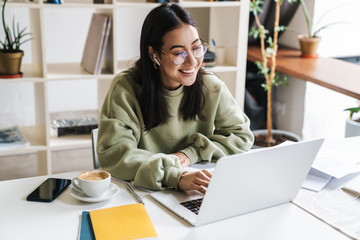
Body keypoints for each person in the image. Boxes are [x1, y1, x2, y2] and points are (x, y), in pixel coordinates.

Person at [97, 3, 254, 194]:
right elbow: (115, 154)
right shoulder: (125, 88)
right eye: (178, 53)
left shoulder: (210, 86)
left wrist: (191, 154)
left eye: (196, 48)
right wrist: (174, 176)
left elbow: (241, 136)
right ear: (154, 55)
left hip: (195, 188)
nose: (192, 61)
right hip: (141, 192)